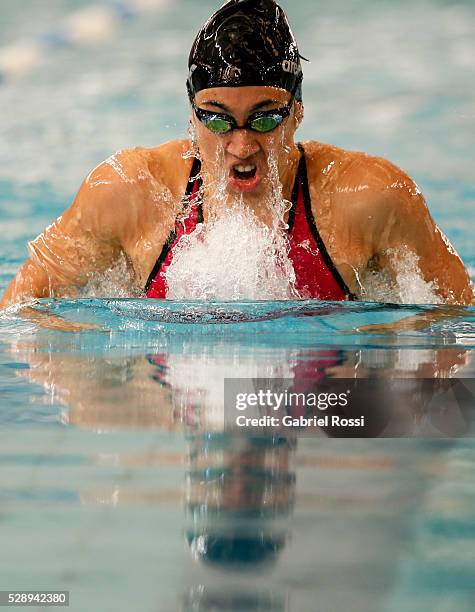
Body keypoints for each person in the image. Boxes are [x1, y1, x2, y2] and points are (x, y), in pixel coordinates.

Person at [1, 0, 473, 310]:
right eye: (218, 118)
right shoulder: (128, 192)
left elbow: (455, 326)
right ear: (191, 114)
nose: (242, 145)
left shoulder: (369, 197)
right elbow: (23, 317)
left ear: (298, 111)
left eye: (266, 118)